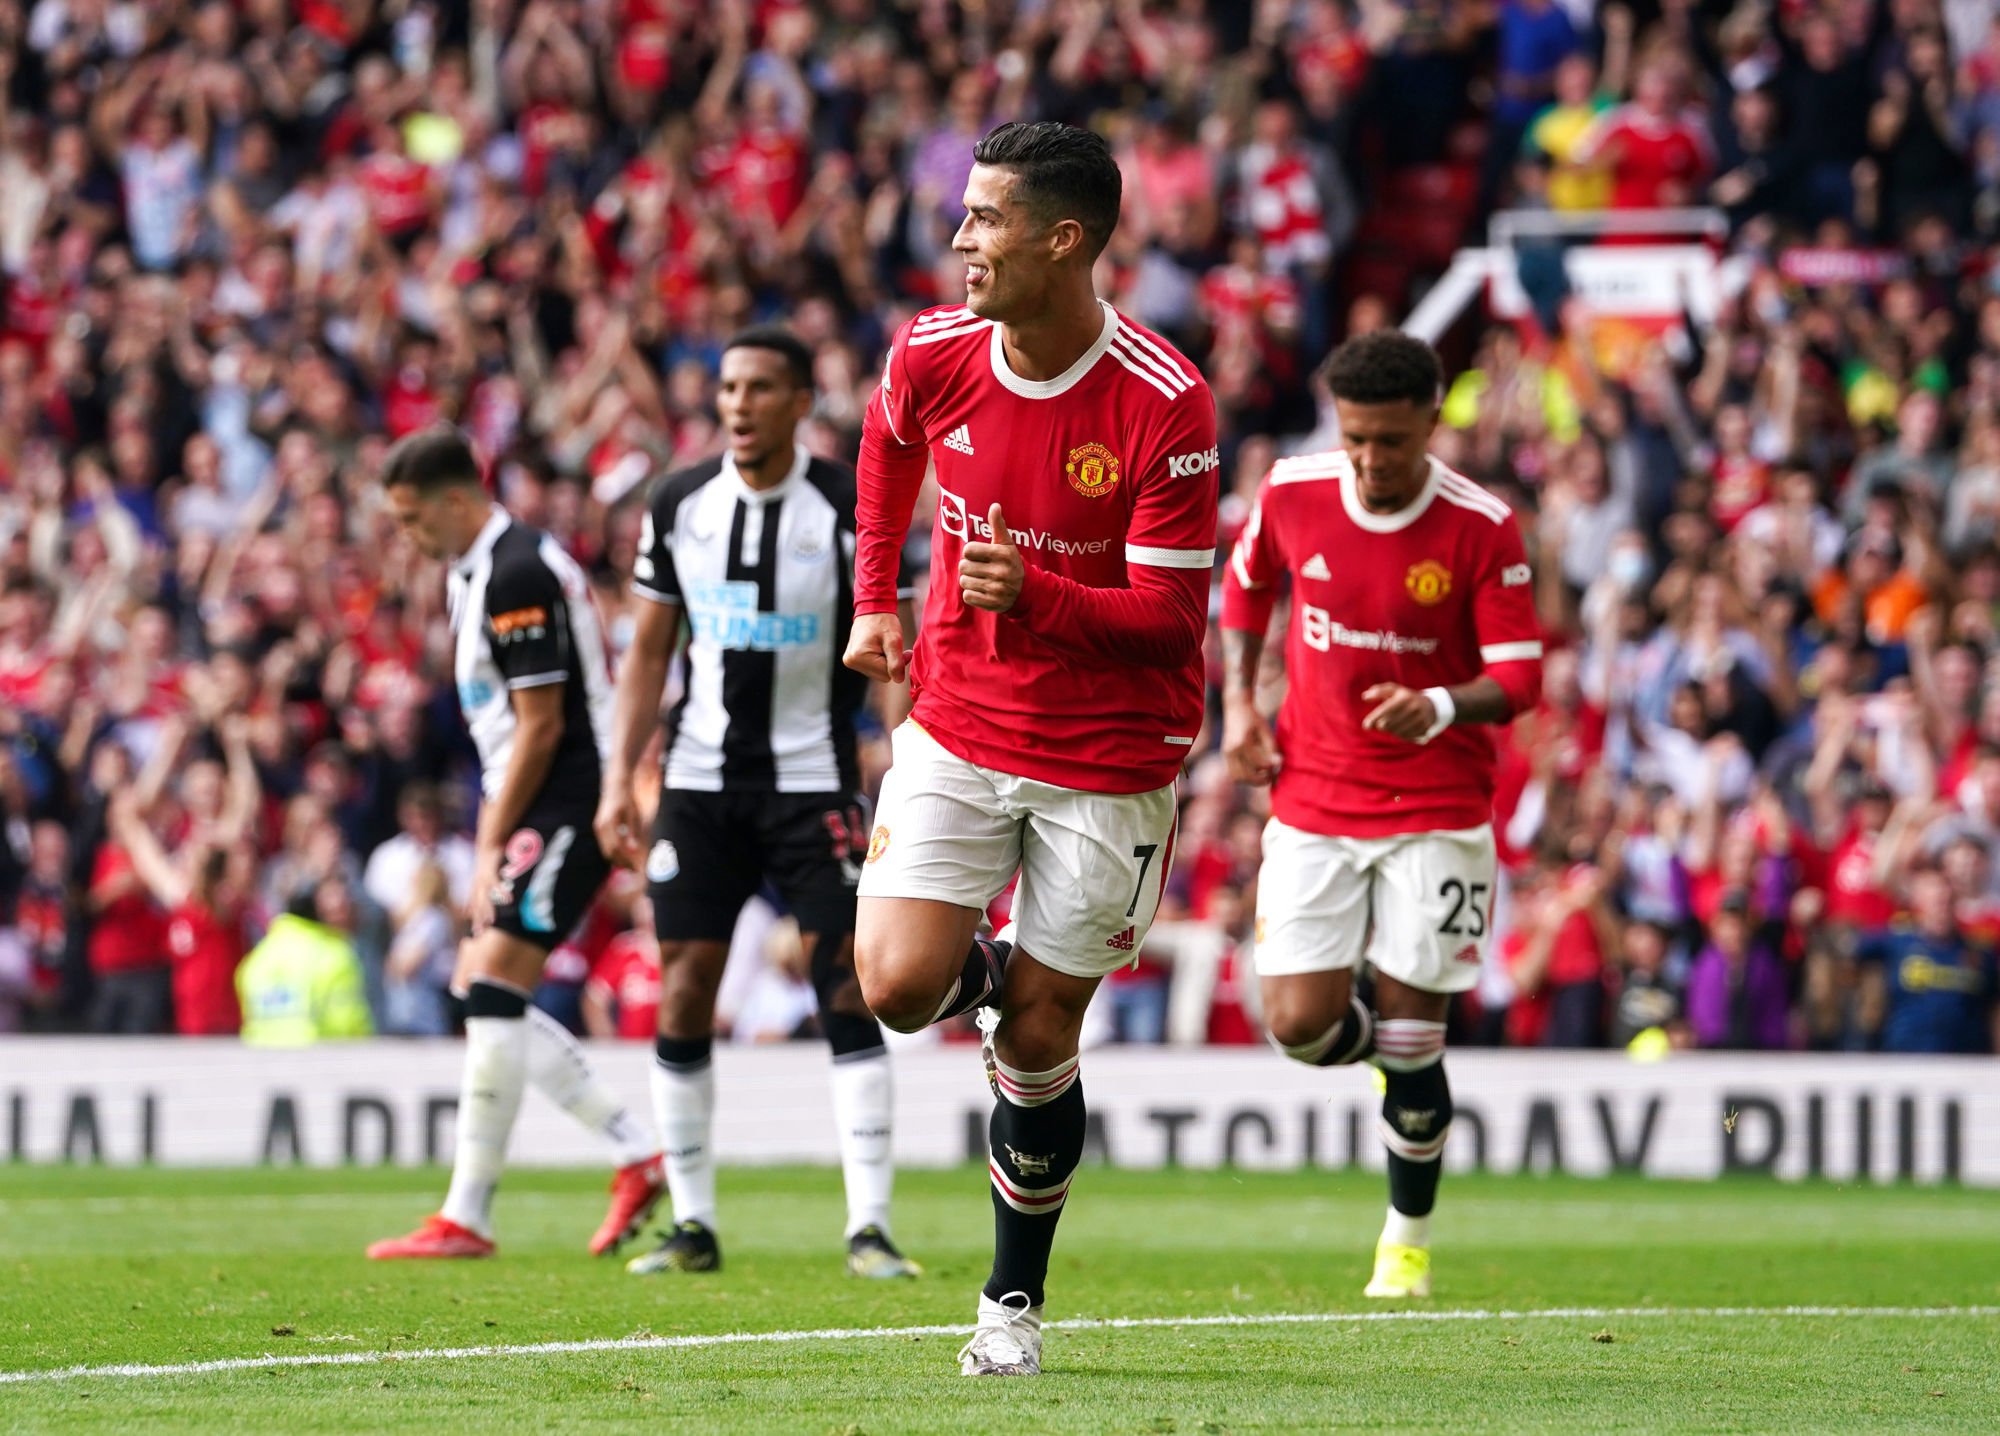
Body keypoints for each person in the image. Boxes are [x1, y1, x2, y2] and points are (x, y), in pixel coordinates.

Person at [843, 121, 1219, 1375]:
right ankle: (994, 963)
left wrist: (1038, 593)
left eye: (984, 218)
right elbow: (887, 440)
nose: (960, 239)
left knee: (1038, 1036)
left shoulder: (1165, 401)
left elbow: (1169, 621)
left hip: (1109, 754)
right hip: (959, 717)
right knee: (896, 985)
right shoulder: (934, 348)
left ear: (1062, 240)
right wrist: (875, 599)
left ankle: (1009, 1304)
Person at [1219, 330, 1544, 1299]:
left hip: (1436, 806)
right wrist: (1238, 704)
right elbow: (1244, 587)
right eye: (1354, 437)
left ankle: (1405, 1241)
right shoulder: (1291, 491)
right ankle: (1390, 1054)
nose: (1368, 459)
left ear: (1431, 424)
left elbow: (1520, 676)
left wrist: (1439, 703)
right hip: (1313, 794)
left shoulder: (1481, 525)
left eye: (1390, 441)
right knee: (1297, 1025)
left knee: (1414, 1031)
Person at [593, 326, 920, 1281]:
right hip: (698, 784)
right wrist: (620, 777)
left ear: (800, 402)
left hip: (813, 780)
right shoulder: (678, 501)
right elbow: (649, 651)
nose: (739, 403)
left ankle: (869, 1227)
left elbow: (893, 647)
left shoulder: (848, 505)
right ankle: (693, 1223)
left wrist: (905, 771)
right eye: (729, 386)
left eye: (761, 388)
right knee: (685, 982)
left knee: (847, 984)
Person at [366, 426, 664, 1261]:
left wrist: (489, 842)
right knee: (483, 988)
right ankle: (616, 1159)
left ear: (458, 500)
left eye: (414, 517)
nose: (407, 535)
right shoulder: (476, 570)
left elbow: (541, 727)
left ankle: (490, 1206)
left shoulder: (516, 571)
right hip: (541, 799)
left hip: (569, 798)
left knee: (490, 984)